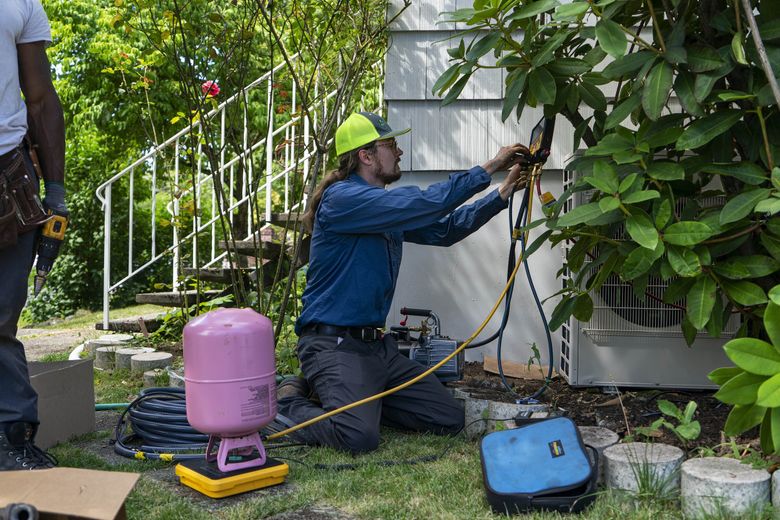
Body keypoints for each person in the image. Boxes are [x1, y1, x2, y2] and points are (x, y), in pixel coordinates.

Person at [275, 111, 529, 454]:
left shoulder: (382, 210)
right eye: (391, 145)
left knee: (448, 418)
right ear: (366, 156)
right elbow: (427, 201)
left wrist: (502, 193)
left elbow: (447, 229)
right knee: (358, 437)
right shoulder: (342, 200)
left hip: (376, 350)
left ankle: (354, 398)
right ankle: (288, 401)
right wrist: (489, 166)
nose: (399, 152)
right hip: (334, 346)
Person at [0, 0, 66, 470]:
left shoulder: (21, 2)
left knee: (1, 315)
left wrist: (56, 189)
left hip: (8, 175)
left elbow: (40, 96)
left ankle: (12, 439)